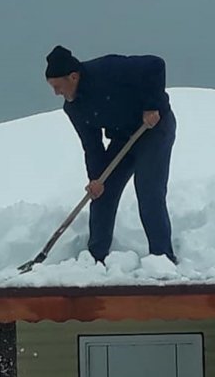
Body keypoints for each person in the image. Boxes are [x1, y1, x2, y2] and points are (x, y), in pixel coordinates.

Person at [45, 45, 178, 265]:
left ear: (73, 76)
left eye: (58, 86)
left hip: (154, 127)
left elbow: (155, 64)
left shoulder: (107, 69)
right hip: (123, 138)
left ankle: (163, 258)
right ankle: (95, 258)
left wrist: (151, 106)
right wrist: (95, 178)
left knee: (148, 191)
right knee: (102, 192)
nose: (56, 93)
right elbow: (92, 145)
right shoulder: (74, 108)